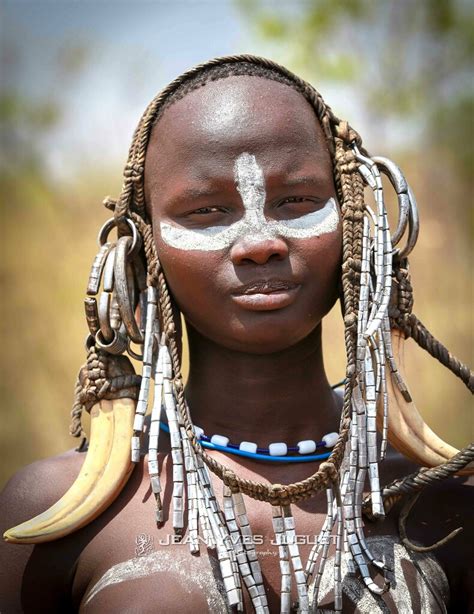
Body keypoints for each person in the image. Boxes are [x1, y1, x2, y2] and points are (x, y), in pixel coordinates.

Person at [0, 55, 472, 613]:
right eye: (205, 210)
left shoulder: (442, 504)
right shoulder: (58, 513)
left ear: (358, 227)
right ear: (140, 250)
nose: (259, 241)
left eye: (296, 201)